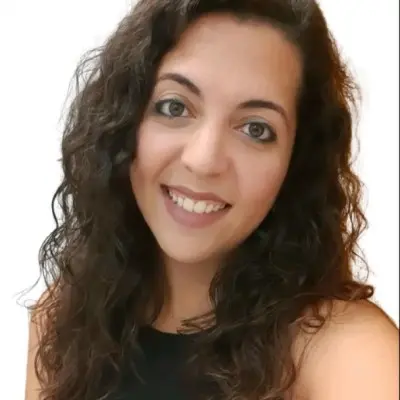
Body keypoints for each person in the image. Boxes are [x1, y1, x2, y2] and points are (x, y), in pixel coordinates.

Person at [25, 0, 399, 399]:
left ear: (298, 161)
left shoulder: (348, 354)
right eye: (174, 107)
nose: (203, 161)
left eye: (256, 129)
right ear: (123, 122)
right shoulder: (61, 318)